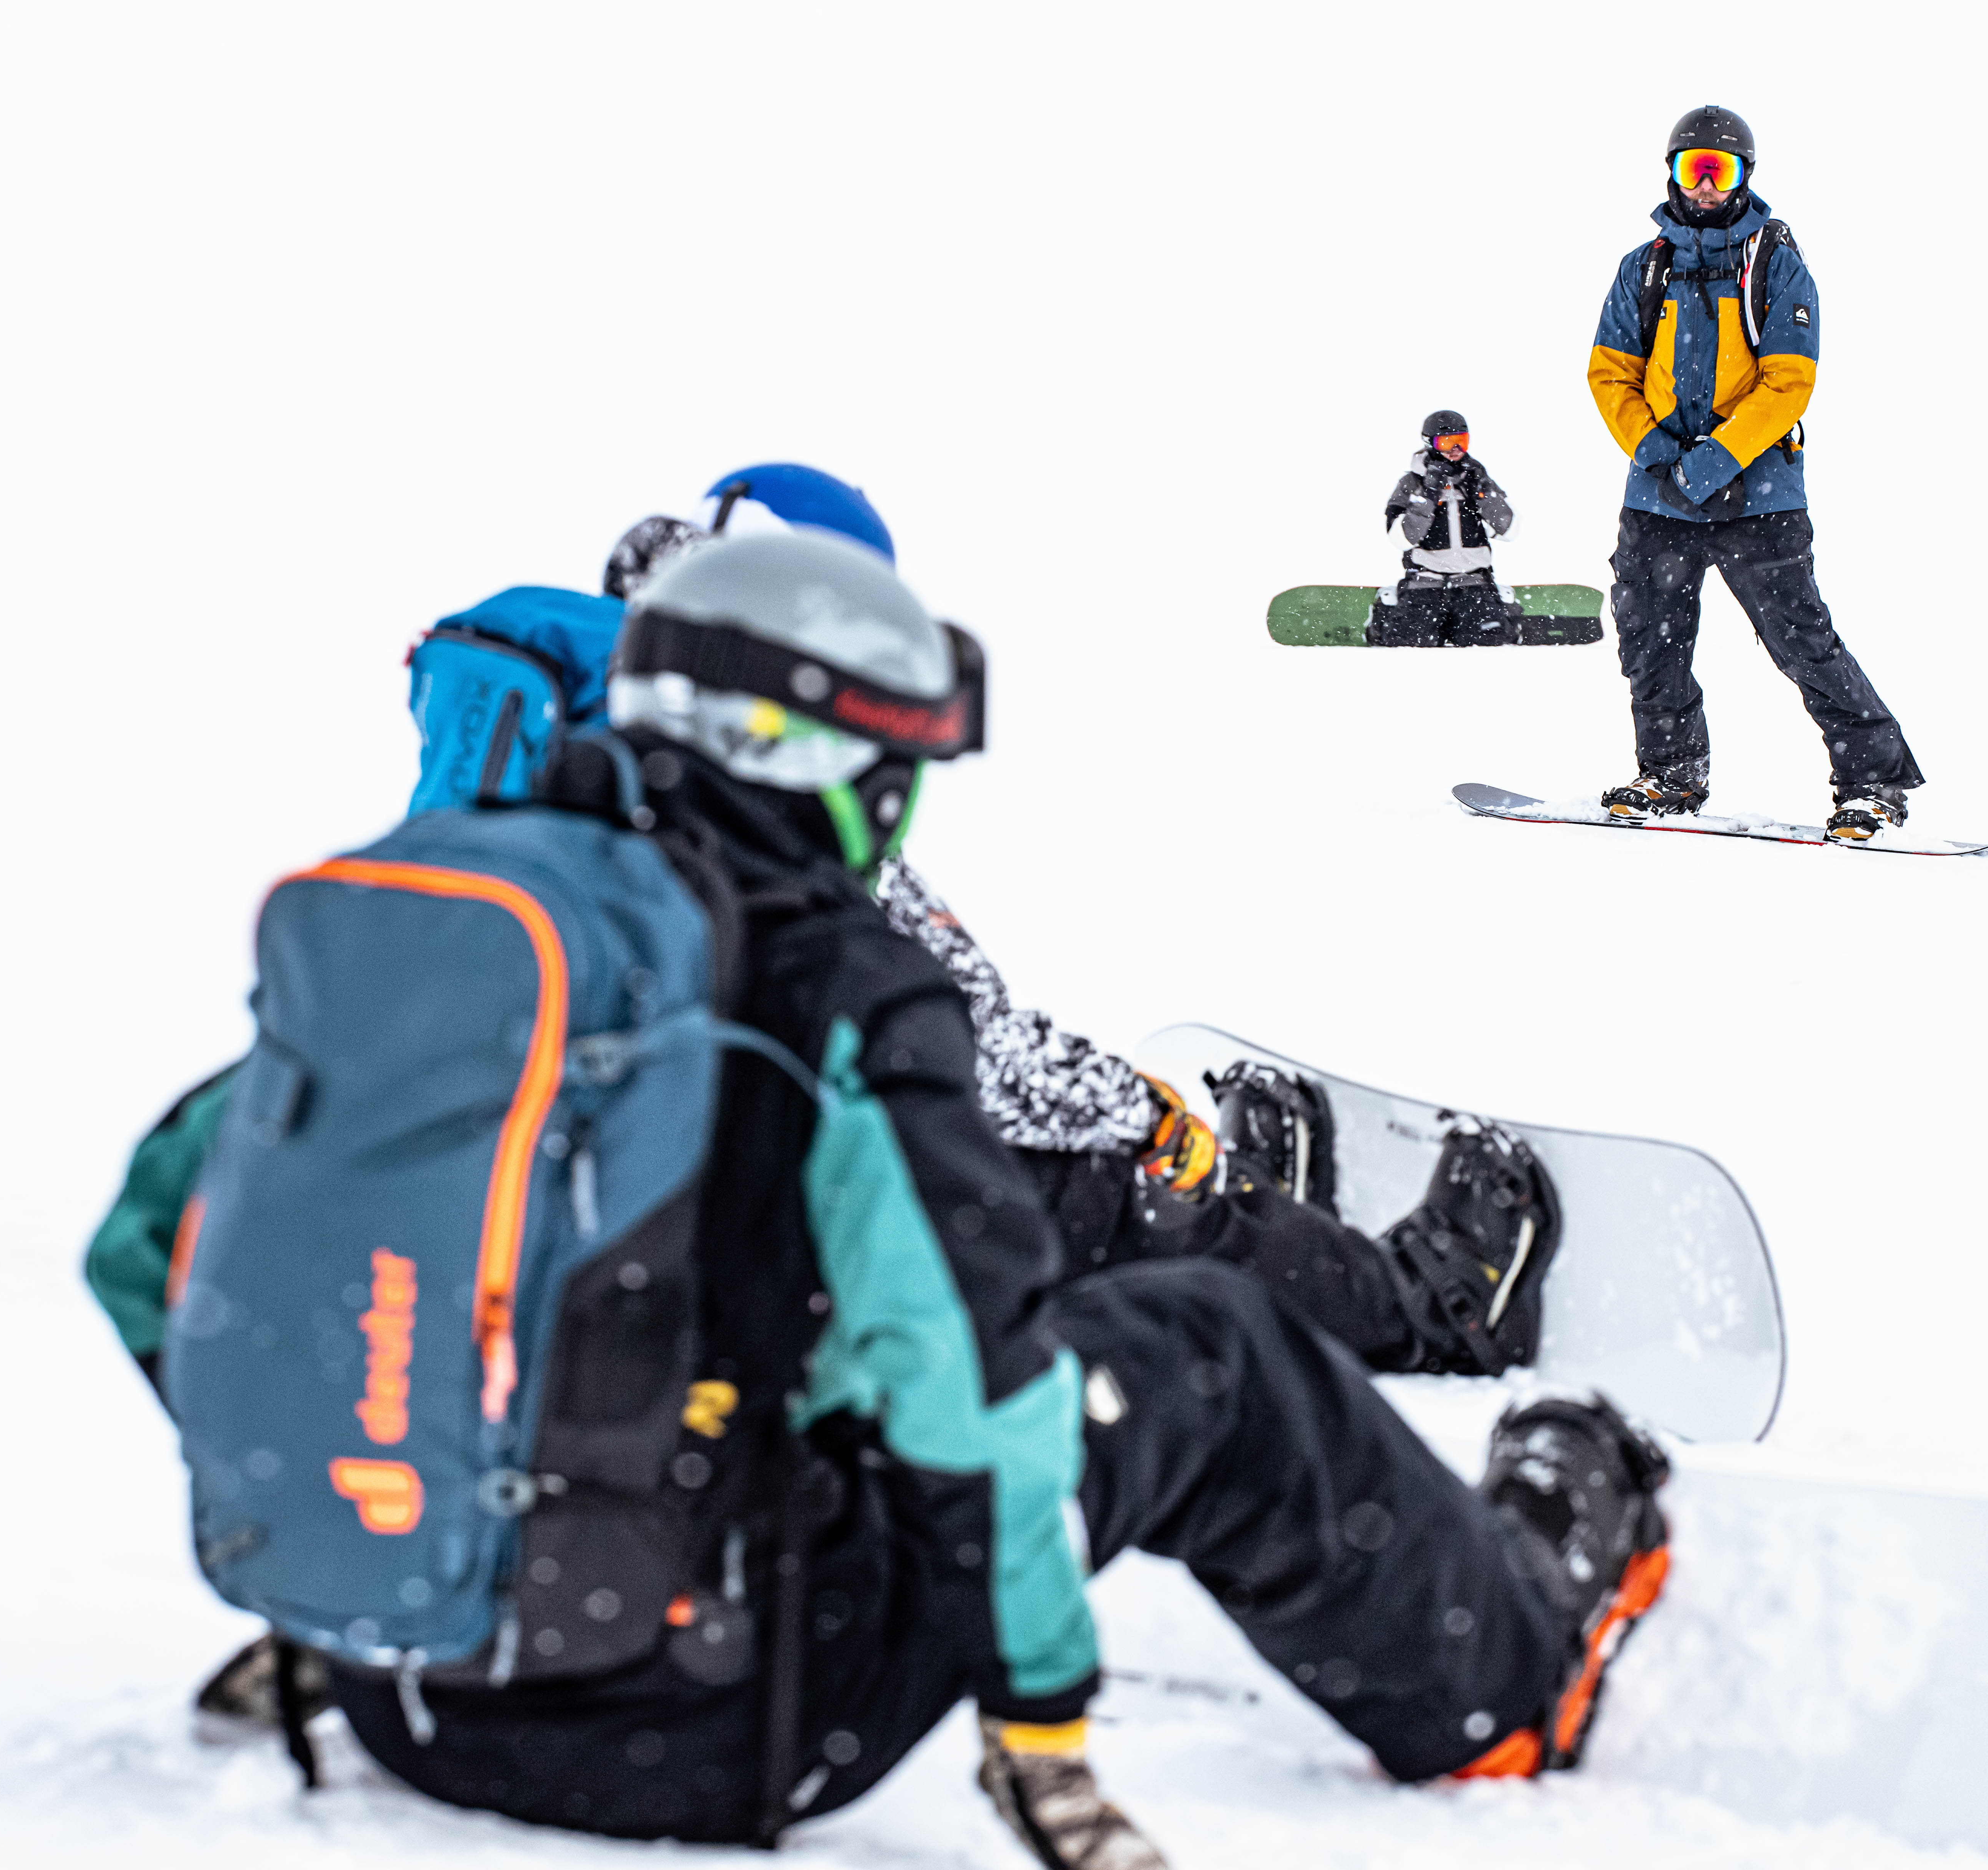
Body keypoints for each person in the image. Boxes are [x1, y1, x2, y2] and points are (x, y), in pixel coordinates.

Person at [90, 532, 1665, 1868]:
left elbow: (151, 1247)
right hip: (717, 1721)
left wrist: (378, 1507)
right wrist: (1037, 1715)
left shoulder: (460, 911)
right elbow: (971, 1387)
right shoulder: (833, 983)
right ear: (832, 762)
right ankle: (1506, 1676)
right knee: (1207, 1345)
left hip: (396, 1682)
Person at [1585, 105, 1926, 841]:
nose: (1706, 185)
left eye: (1721, 170)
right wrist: (1654, 451)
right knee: (1649, 640)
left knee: (1799, 639)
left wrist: (1714, 458)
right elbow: (1609, 373)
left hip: (1758, 497)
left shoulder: (1774, 264)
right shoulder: (1642, 268)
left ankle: (1874, 783)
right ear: (1672, 175)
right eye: (1693, 169)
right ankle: (1670, 773)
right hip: (1658, 497)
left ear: (1744, 177)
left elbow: (1786, 381)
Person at [1373, 410, 1519, 646]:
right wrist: (1429, 496)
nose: (1456, 450)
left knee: (1488, 642)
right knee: (1410, 642)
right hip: (1424, 582)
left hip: (1474, 583)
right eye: (1447, 442)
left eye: (1462, 441)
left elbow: (1509, 530)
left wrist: (1483, 492)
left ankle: (1504, 610)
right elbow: (1401, 539)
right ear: (1430, 443)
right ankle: (1386, 610)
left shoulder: (1475, 478)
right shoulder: (1412, 483)